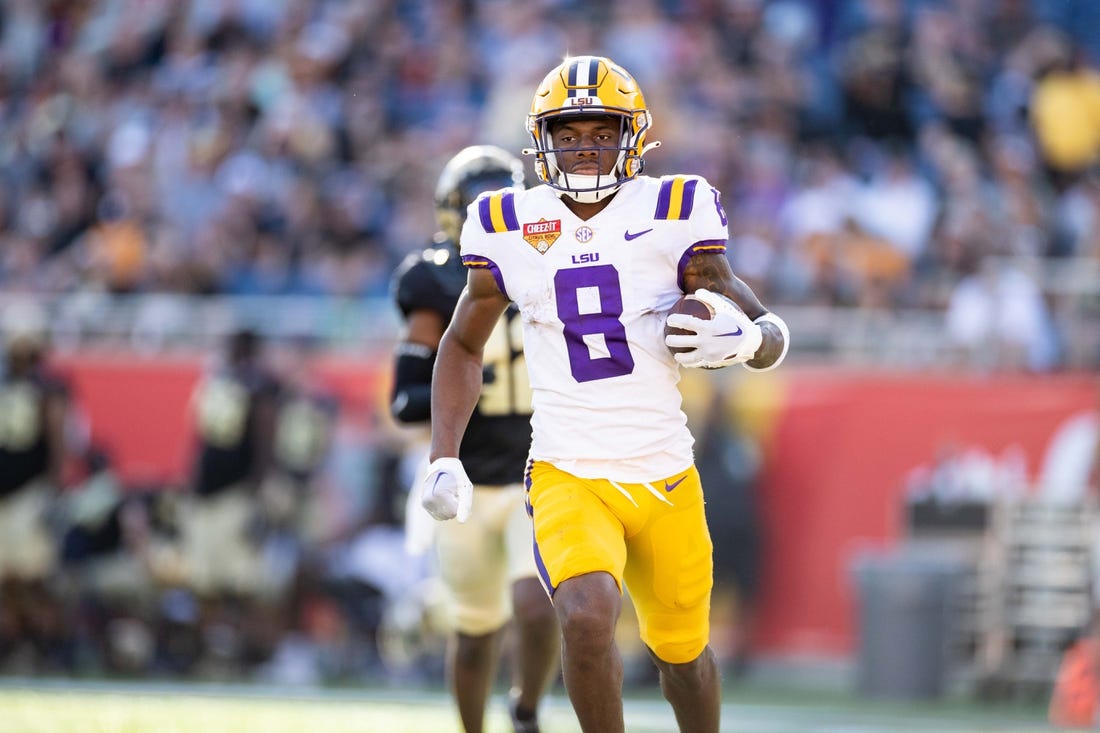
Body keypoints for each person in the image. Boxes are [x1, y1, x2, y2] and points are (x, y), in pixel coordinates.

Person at [419, 56, 790, 733]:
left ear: (632, 136)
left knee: (683, 657)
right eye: (569, 133)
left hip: (664, 474)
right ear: (542, 140)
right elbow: (461, 342)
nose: (584, 146)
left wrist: (749, 342)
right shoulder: (508, 223)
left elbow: (763, 323)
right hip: (569, 471)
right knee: (586, 617)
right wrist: (445, 454)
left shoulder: (673, 210)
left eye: (601, 131)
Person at [390, 145, 560, 733]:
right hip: (463, 480)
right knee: (474, 630)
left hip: (536, 476)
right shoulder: (433, 277)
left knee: (539, 607)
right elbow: (406, 398)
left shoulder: (551, 259)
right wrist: (467, 384)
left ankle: (527, 712)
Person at [0, 301, 72, 672]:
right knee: (7, 577)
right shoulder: (5, 380)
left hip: (30, 490)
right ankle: (15, 645)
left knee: (35, 576)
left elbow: (58, 442)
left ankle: (47, 645)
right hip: (4, 494)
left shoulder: (49, 386)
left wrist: (53, 491)